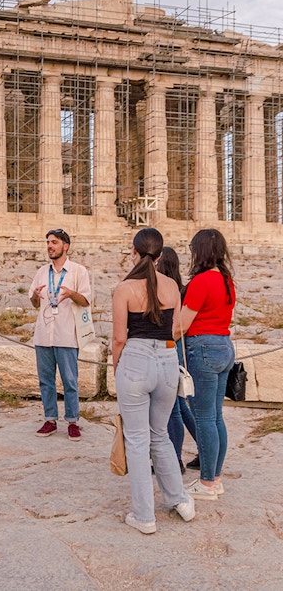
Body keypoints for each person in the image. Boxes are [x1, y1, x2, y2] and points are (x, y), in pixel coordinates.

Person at [112, 228, 195, 534]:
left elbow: (120, 337)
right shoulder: (172, 285)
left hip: (135, 358)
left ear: (134, 252)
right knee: (160, 434)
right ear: (160, 256)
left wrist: (117, 368)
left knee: (136, 440)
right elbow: (175, 328)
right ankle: (181, 501)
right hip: (167, 360)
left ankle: (144, 516)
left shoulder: (124, 289)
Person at [175, 229, 235, 500]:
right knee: (216, 416)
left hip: (204, 348)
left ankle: (207, 482)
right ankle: (216, 477)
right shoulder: (226, 280)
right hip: (224, 345)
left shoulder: (201, 282)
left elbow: (182, 325)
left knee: (204, 418)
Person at [29, 229, 91, 441]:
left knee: (70, 380)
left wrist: (71, 293)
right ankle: (50, 419)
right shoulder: (41, 272)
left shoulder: (78, 271)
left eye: (54, 242)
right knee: (45, 380)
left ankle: (73, 421)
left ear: (66, 246)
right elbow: (34, 302)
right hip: (44, 334)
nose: (49, 246)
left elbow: (86, 301)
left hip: (67, 334)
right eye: (48, 242)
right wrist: (36, 296)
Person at [156, 246, 198, 474]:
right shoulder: (182, 289)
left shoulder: (166, 291)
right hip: (178, 350)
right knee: (180, 406)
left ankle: (175, 460)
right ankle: (203, 449)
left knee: (173, 408)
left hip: (168, 349)